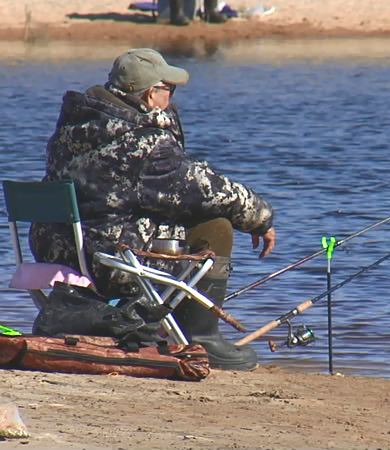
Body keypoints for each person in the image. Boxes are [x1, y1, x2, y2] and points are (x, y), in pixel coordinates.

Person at [29, 48, 275, 371]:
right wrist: (260, 218)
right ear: (149, 95)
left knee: (171, 212)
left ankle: (158, 324)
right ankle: (200, 337)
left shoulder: (74, 126)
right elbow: (207, 188)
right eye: (168, 90)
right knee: (215, 224)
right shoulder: (143, 143)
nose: (172, 98)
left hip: (54, 249)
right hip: (108, 261)